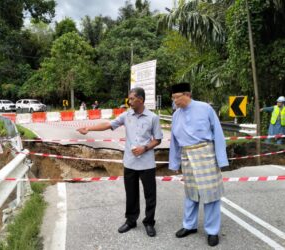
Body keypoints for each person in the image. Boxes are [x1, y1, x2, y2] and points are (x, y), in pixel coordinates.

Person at [77, 87, 163, 237]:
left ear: (141, 100)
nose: (129, 101)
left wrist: (145, 148)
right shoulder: (126, 115)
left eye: (131, 99)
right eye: (129, 98)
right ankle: (130, 220)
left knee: (150, 195)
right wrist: (88, 129)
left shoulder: (152, 118)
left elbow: (158, 139)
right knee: (131, 193)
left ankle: (149, 222)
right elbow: (108, 124)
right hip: (130, 162)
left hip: (147, 163)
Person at [169, 82, 228, 247]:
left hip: (206, 154)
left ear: (187, 95)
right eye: (172, 98)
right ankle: (189, 226)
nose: (174, 101)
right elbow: (174, 141)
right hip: (186, 156)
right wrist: (175, 163)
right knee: (191, 194)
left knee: (211, 195)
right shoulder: (175, 115)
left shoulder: (205, 108)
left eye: (176, 97)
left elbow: (218, 133)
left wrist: (221, 159)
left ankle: (212, 231)